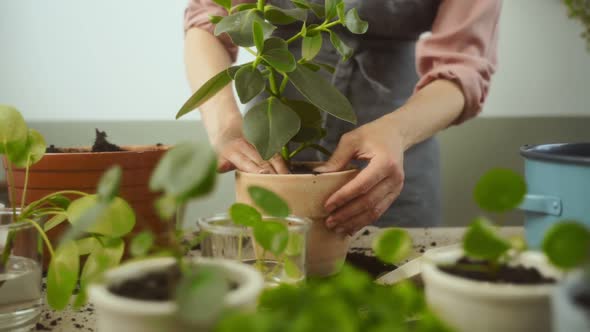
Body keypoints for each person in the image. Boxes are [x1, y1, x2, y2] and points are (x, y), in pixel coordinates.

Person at [183, 0, 502, 235]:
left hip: (394, 156)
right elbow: (210, 22)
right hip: (272, 151)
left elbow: (464, 67)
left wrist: (397, 131)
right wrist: (226, 127)